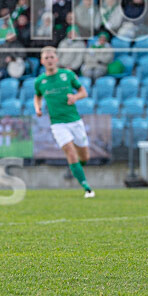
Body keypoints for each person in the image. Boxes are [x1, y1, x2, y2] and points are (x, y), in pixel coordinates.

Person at [34, 46, 95, 198]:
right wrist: (38, 108)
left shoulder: (67, 75)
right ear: (42, 61)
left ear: (57, 59)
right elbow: (37, 96)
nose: (49, 60)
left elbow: (83, 92)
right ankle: (87, 187)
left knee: (84, 157)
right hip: (57, 123)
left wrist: (75, 97)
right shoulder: (40, 81)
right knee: (69, 151)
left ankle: (77, 170)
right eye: (46, 58)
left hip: (74, 121)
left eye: (51, 57)